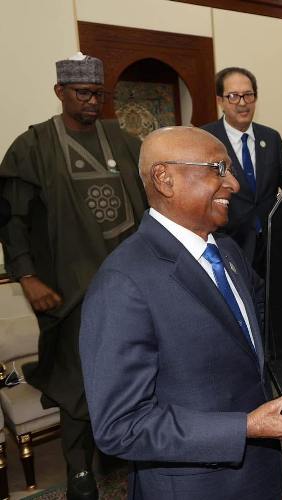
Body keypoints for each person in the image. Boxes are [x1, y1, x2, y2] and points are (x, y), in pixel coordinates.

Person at [79, 126, 282, 500]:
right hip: (194, 487)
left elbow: (267, 322)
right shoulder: (123, 282)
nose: (234, 184)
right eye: (218, 168)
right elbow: (121, 425)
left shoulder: (226, 250)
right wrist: (244, 427)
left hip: (259, 474)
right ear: (165, 179)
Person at [0, 52, 147, 500]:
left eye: (99, 94)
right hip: (70, 290)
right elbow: (11, 219)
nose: (92, 102)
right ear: (59, 91)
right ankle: (79, 467)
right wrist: (27, 276)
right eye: (82, 93)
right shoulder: (34, 146)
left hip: (129, 284)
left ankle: (131, 451)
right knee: (78, 380)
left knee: (133, 370)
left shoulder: (122, 140)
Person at [202, 67, 282, 278]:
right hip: (228, 245)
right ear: (220, 101)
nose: (242, 103)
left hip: (271, 246)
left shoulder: (271, 138)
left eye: (248, 95)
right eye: (233, 96)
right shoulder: (206, 139)